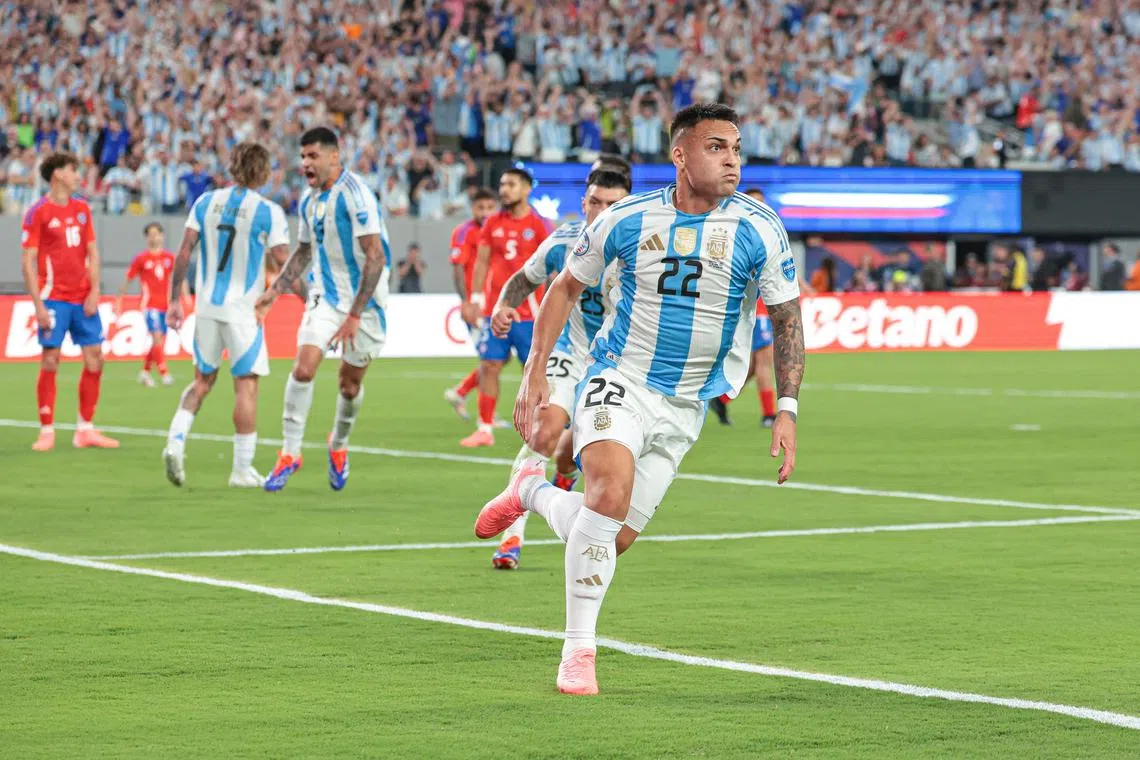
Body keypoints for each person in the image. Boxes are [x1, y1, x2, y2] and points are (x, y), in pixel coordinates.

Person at [474, 104, 804, 695]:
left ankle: (529, 491)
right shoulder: (627, 218)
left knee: (613, 536)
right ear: (681, 154)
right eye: (716, 147)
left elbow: (786, 318)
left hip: (687, 404)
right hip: (619, 376)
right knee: (606, 498)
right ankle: (578, 652)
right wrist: (534, 373)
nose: (731, 159)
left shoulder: (759, 227)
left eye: (736, 148)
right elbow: (564, 287)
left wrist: (786, 408)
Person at [483, 168, 632, 570]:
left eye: (612, 205)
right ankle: (511, 536)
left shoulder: (643, 246)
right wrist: (502, 305)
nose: (601, 212)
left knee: (570, 457)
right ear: (583, 203)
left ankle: (561, 484)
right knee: (543, 431)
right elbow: (524, 278)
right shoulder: (565, 241)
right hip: (570, 351)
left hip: (618, 364)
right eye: (595, 202)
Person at [257, 127, 392, 492]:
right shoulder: (309, 200)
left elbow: (376, 258)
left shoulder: (356, 196)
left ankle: (339, 444)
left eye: (312, 156)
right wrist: (274, 292)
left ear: (335, 156)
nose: (305, 164)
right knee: (303, 368)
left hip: (366, 303)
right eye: (302, 157)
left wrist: (353, 316)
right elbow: (302, 251)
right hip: (326, 296)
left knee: (349, 386)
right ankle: (290, 453)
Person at [161, 143, 290, 488]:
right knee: (245, 386)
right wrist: (310, 299)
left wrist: (175, 299)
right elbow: (284, 262)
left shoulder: (206, 202)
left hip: (205, 307)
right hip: (242, 313)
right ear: (262, 172)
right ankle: (241, 470)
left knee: (202, 382)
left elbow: (185, 250)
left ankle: (175, 440)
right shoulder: (268, 211)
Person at [21, 152, 119, 451]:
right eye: (73, 170)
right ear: (58, 175)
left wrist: (94, 291)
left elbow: (93, 253)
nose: (78, 176)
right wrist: (38, 305)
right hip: (53, 297)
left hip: (82, 298)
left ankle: (85, 430)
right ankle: (47, 430)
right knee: (50, 359)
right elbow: (28, 261)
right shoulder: (38, 212)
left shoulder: (82, 209)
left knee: (95, 358)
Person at [459, 167, 553, 448]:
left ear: (526, 189)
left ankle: (542, 427)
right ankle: (485, 428)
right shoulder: (491, 223)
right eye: (502, 184)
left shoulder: (539, 225)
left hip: (530, 313)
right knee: (489, 366)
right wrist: (475, 300)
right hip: (495, 311)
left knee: (534, 369)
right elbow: (482, 262)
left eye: (511, 184)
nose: (504, 190)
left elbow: (552, 268)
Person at [708, 186, 806, 428]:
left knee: (751, 366)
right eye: (754, 203)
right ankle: (768, 414)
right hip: (751, 310)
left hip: (763, 307)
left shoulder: (768, 234)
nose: (758, 208)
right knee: (763, 362)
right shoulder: (733, 235)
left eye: (761, 203)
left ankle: (720, 399)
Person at [443, 187, 499, 421]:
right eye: (480, 207)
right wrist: (466, 302)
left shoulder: (498, 229)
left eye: (489, 207)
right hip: (477, 305)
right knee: (490, 359)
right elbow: (457, 269)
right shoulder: (464, 232)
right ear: (472, 208)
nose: (485, 212)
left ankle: (461, 392)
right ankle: (486, 417)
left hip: (496, 302)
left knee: (497, 357)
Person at [116, 222, 177, 387]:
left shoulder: (169, 258)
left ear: (162, 236)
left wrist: (183, 298)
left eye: (157, 233)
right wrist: (119, 300)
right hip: (149, 305)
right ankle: (164, 373)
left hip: (166, 305)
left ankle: (145, 372)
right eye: (150, 234)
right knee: (156, 337)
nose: (154, 237)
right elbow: (128, 279)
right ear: (146, 237)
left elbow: (178, 279)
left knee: (158, 342)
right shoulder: (141, 259)